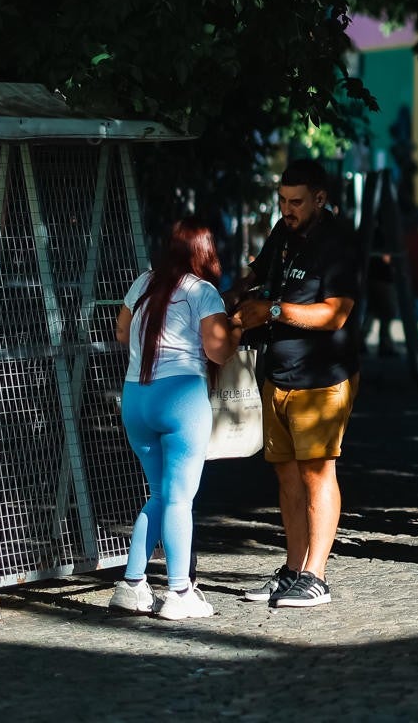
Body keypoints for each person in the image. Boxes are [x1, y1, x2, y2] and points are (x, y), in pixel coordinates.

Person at [231, 159, 363, 609]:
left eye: (296, 202)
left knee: (317, 472)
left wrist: (271, 311)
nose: (287, 210)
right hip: (278, 373)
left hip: (322, 377)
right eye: (282, 201)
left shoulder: (339, 243)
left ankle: (316, 576)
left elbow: (336, 314)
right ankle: (292, 569)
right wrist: (230, 296)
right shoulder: (282, 233)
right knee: (286, 474)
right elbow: (257, 279)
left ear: (320, 200)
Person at [111, 219, 237, 621]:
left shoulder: (144, 282)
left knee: (161, 494)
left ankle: (132, 585)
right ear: (205, 252)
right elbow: (217, 351)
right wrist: (236, 328)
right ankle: (180, 591)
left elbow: (121, 332)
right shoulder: (203, 292)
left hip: (136, 397)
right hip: (181, 399)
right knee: (180, 497)